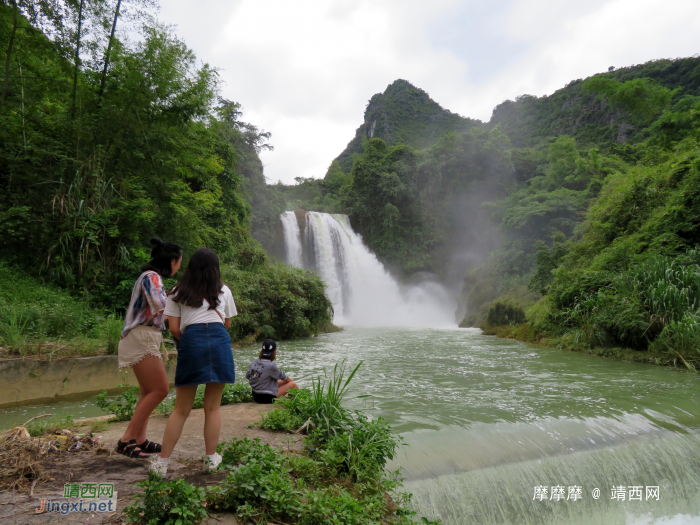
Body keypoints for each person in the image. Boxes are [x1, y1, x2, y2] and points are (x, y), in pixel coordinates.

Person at [151, 248, 237, 476]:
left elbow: (175, 329)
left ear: (190, 266)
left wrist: (192, 340)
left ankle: (162, 464)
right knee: (212, 407)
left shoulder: (178, 291)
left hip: (192, 342)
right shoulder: (224, 290)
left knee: (181, 409)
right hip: (219, 343)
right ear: (215, 268)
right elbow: (227, 324)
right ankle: (210, 459)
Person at [116, 237, 182, 459]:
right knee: (160, 390)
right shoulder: (152, 277)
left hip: (144, 336)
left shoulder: (151, 277)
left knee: (148, 391)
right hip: (142, 336)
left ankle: (140, 439)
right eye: (179, 262)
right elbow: (161, 307)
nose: (179, 266)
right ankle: (126, 440)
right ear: (172, 261)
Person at [246, 339, 298, 404]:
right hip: (266, 398)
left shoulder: (254, 362)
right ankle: (291, 402)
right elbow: (284, 377)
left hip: (256, 396)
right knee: (293, 385)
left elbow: (248, 376)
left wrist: (260, 377)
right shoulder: (271, 366)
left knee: (284, 382)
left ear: (262, 351)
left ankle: (289, 400)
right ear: (274, 352)